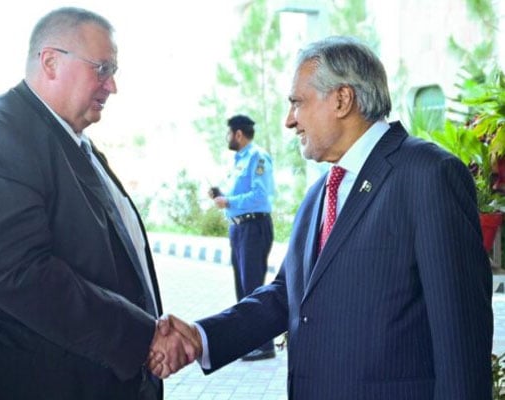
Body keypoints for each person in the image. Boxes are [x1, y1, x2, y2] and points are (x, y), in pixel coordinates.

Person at [149, 36, 494, 399]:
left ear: (342, 100)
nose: (289, 121)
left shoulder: (428, 174)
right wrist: (201, 338)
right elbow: (287, 295)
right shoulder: (321, 193)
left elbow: (461, 342)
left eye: (297, 103)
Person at [0, 7, 196, 400]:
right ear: (50, 62)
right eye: (102, 68)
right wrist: (142, 336)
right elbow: (16, 270)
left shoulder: (71, 140)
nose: (112, 86)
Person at [208, 114, 276, 361]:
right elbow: (240, 193)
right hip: (238, 228)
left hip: (253, 227)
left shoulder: (257, 157)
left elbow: (260, 196)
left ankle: (265, 345)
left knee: (253, 287)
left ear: (238, 134)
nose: (227, 138)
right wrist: (221, 195)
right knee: (242, 288)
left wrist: (229, 201)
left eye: (228, 133)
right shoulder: (239, 160)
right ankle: (251, 341)